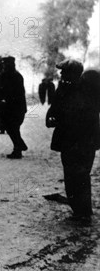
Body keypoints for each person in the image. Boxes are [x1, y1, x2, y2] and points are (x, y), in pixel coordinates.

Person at [46, 60, 100, 225]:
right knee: (71, 175)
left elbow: (85, 115)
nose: (61, 75)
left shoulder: (87, 91)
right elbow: (55, 109)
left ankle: (83, 214)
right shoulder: (64, 88)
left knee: (80, 175)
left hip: (83, 141)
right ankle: (80, 211)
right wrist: (51, 118)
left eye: (64, 72)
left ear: (72, 73)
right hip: (70, 141)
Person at [0, 56, 28, 158]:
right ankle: (19, 146)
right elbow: (2, 89)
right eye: (4, 64)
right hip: (9, 107)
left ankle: (18, 150)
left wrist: (4, 98)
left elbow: (17, 93)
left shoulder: (17, 76)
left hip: (17, 107)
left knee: (13, 128)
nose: (5, 66)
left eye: (7, 65)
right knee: (10, 128)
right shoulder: (5, 75)